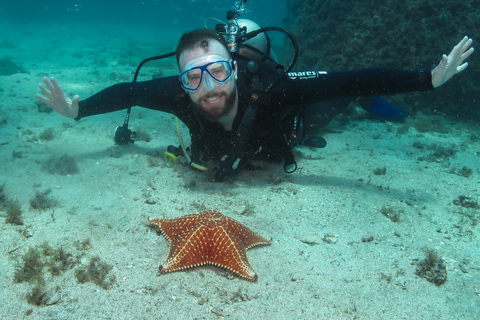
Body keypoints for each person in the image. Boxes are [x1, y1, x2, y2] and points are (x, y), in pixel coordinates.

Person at [37, 28, 474, 181]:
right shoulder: (176, 93)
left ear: (233, 66)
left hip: (293, 125)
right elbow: (126, 91)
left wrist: (426, 80)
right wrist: (78, 111)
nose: (209, 87)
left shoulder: (276, 87)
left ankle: (364, 106)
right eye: (193, 77)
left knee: (335, 97)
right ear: (181, 81)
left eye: (219, 71)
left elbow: (350, 76)